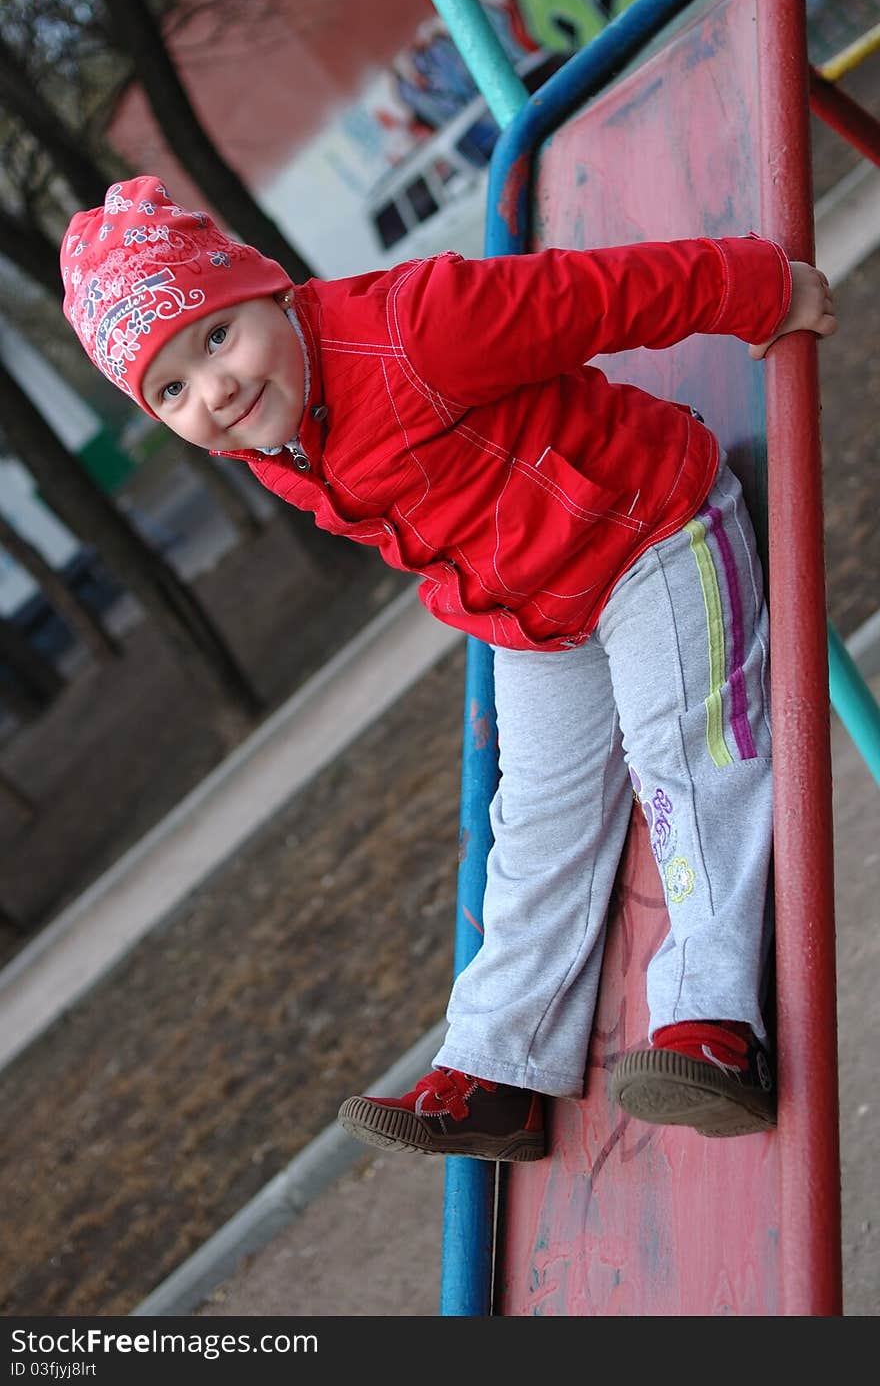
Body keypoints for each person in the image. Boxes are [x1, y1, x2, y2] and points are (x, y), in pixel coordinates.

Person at [60, 176, 837, 1160]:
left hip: (647, 530)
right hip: (533, 617)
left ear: (268, 291)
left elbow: (589, 294)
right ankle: (497, 1066)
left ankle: (713, 1024)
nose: (212, 391)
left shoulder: (410, 327)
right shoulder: (275, 438)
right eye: (169, 389)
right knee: (533, 821)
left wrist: (757, 288)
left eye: (216, 338)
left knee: (685, 754)